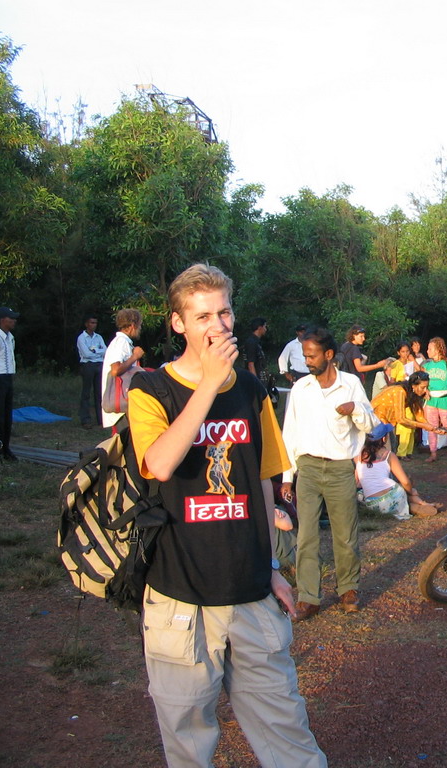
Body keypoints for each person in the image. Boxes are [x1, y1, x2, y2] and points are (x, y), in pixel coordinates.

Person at [126, 263, 326, 768]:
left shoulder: (252, 391)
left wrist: (273, 567)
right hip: (180, 597)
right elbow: (161, 464)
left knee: (288, 732)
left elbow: (263, 480)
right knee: (189, 741)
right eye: (202, 316)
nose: (217, 325)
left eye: (224, 312)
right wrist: (209, 387)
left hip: (250, 590)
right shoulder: (149, 389)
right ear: (178, 324)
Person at [280, 325, 380, 621]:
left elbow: (372, 423)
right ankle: (308, 597)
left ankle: (348, 589)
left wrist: (355, 410)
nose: (307, 361)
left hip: (339, 469)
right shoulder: (301, 388)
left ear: (329, 355)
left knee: (345, 534)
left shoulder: (350, 384)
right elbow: (290, 433)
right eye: (304, 356)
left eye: (311, 356)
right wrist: (288, 477)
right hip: (308, 469)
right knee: (307, 536)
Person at [355, 422, 434, 520]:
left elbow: (357, 483)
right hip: (393, 497)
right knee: (406, 485)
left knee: (361, 494)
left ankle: (415, 505)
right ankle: (418, 504)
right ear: (384, 438)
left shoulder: (357, 455)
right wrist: (411, 492)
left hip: (372, 504)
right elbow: (405, 482)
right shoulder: (389, 455)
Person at [371, 371, 441, 458]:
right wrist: (424, 426)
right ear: (413, 386)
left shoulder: (413, 394)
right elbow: (401, 419)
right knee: (383, 453)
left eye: (426, 387)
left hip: (387, 423)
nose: (425, 390)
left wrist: (435, 429)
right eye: (423, 387)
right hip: (377, 421)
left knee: (389, 452)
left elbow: (419, 416)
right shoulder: (400, 391)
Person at [101, 308, 144, 430]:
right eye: (139, 325)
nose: (140, 329)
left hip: (121, 405)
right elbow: (115, 370)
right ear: (132, 326)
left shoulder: (123, 342)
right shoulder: (121, 342)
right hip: (120, 408)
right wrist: (135, 356)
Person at [422, 336, 447, 463]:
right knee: (432, 427)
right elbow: (422, 383)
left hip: (445, 399)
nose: (427, 351)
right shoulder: (427, 365)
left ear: (438, 349)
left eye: (430, 348)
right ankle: (433, 453)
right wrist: (425, 392)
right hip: (431, 400)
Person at [77, 315, 107, 428]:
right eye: (91, 323)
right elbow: (86, 354)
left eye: (95, 323)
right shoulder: (81, 338)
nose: (93, 325)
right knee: (86, 393)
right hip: (87, 365)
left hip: (99, 365)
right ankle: (85, 419)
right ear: (86, 324)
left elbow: (105, 350)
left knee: (99, 393)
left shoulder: (98, 337)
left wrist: (94, 351)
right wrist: (98, 352)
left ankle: (101, 419)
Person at [0, 307, 19, 461]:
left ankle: (6, 447)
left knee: (7, 415)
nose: (14, 321)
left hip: (7, 377)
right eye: (10, 318)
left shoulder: (10, 337)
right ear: (2, 320)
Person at [243, 317, 269, 386]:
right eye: (265, 327)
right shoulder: (252, 342)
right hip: (254, 379)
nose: (265, 329)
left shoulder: (257, 342)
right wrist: (255, 382)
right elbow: (251, 364)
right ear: (260, 327)